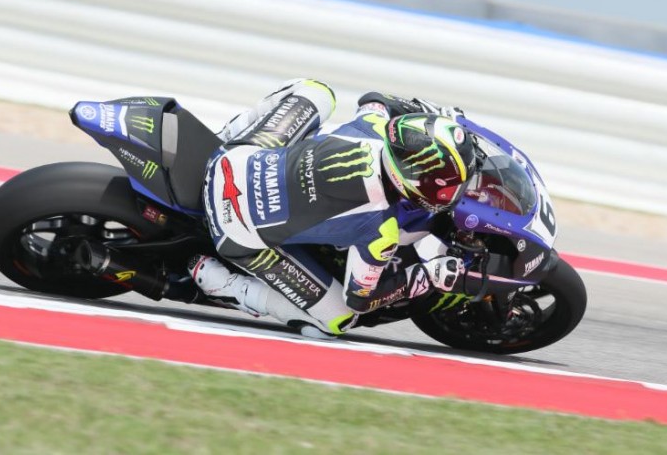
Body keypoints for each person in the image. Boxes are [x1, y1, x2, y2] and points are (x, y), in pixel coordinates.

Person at [189, 79, 477, 337]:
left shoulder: (372, 127)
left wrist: (429, 112)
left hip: (230, 159)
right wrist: (425, 276)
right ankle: (231, 289)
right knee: (339, 319)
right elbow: (361, 300)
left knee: (318, 91)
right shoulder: (381, 229)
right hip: (236, 232)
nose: (451, 193)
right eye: (447, 186)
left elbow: (374, 98)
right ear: (412, 181)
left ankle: (225, 133)